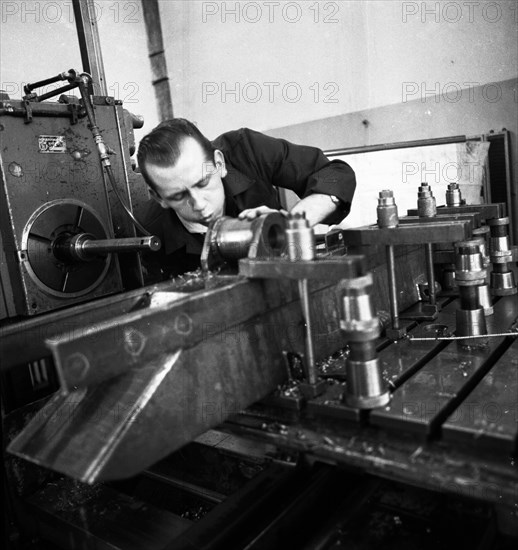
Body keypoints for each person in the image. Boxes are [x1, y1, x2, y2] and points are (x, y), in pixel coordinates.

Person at [137, 118, 356, 281]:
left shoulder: (247, 152)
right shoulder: (147, 234)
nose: (199, 205)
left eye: (203, 183)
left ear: (219, 164)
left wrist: (293, 223)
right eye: (178, 196)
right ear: (159, 197)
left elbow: (335, 175)